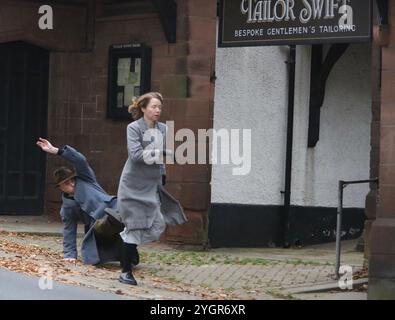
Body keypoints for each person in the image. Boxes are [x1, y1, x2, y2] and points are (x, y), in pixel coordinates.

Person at [109, 92, 187, 286]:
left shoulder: (163, 129)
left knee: (158, 224)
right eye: (153, 107)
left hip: (152, 184)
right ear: (143, 108)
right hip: (133, 185)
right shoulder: (133, 128)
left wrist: (163, 173)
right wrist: (160, 152)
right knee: (135, 227)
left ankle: (127, 241)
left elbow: (162, 158)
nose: (157, 111)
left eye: (159, 107)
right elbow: (135, 155)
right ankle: (126, 272)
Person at [36, 138, 128, 266]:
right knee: (92, 255)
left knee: (124, 217)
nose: (71, 183)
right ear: (61, 186)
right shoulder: (67, 207)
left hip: (112, 209)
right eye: (66, 183)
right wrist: (69, 255)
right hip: (97, 227)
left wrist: (56, 151)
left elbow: (80, 160)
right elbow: (69, 230)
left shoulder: (86, 178)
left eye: (72, 179)